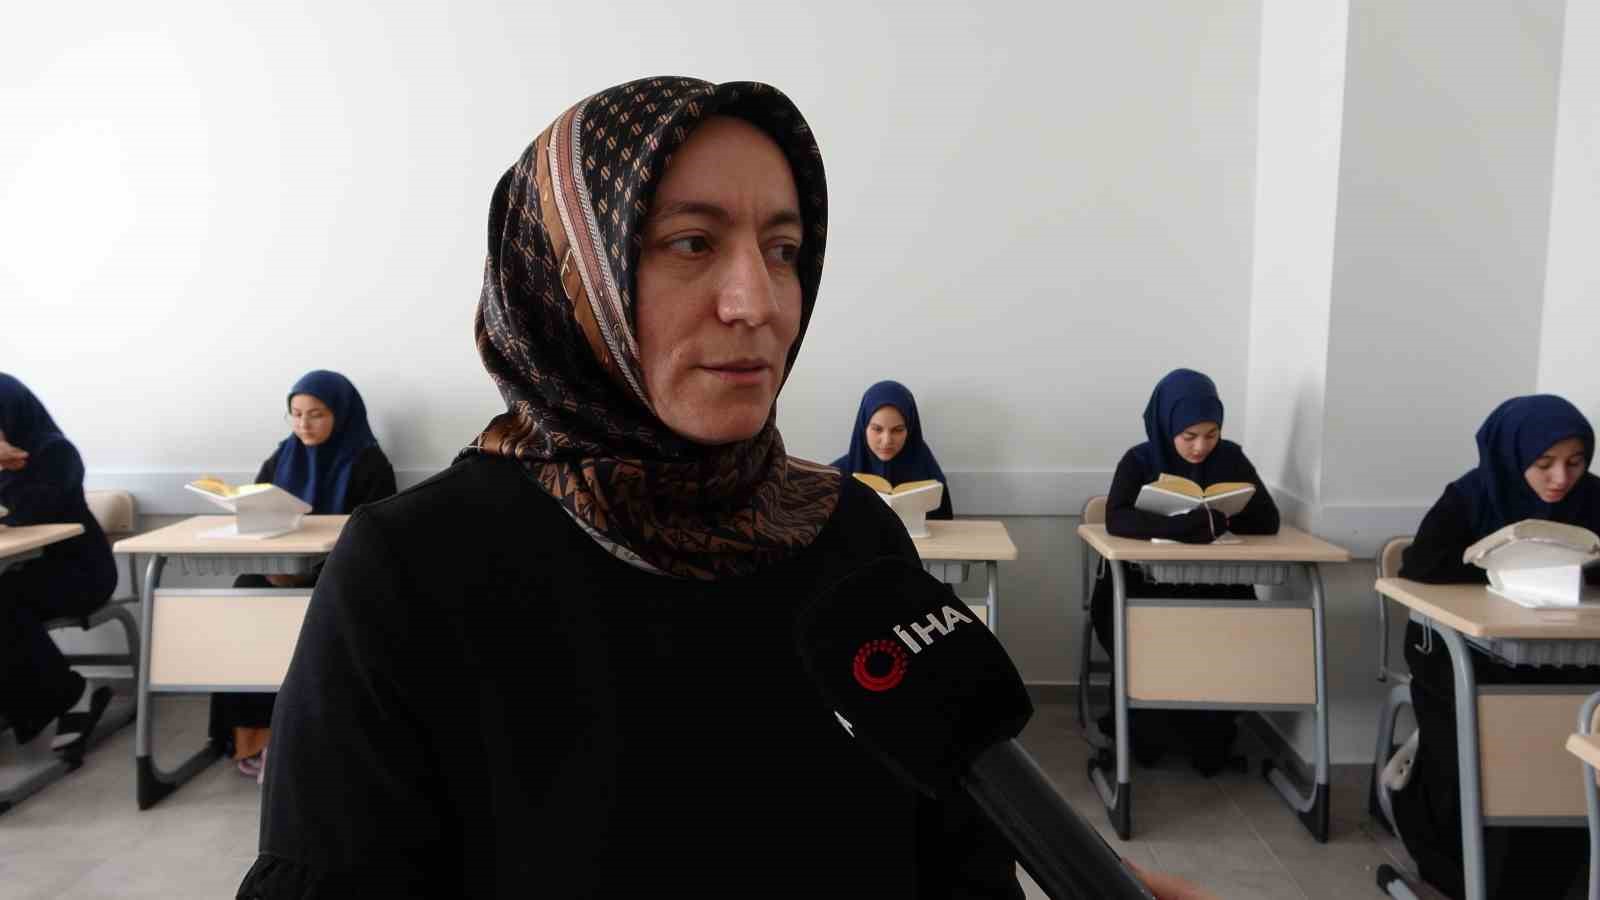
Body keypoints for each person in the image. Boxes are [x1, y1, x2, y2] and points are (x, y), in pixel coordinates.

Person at [1391, 394, 1600, 899]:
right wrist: (1505, 568)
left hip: (1563, 650)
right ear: (1513, 454)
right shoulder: (1470, 495)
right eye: (1544, 464)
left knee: (1572, 729)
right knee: (1490, 741)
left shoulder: (1594, 498)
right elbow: (1420, 564)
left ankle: (1566, 867)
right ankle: (1462, 867)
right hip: (1458, 651)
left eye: (1575, 463)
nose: (1561, 478)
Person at [1089, 368, 1280, 774]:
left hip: (1213, 588)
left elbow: (1268, 519)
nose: (1201, 447)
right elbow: (1117, 519)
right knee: (1151, 651)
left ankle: (1210, 731)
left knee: (1223, 640)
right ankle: (1143, 730)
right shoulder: (1139, 460)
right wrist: (1181, 527)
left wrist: (1218, 519)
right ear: (1166, 424)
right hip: (1142, 589)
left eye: (1211, 434)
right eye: (1189, 436)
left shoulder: (1230, 458)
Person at [210, 370, 395, 779]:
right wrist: (277, 566)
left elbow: (373, 540)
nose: (304, 425)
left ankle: (307, 740)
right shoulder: (281, 458)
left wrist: (307, 571)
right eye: (295, 414)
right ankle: (255, 737)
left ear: (341, 414)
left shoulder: (368, 463)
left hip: (337, 575)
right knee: (244, 593)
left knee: (325, 603)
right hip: (280, 570)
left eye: (316, 414)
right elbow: (256, 513)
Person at [0, 374, 116, 765]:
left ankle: (72, 694)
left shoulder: (55, 452)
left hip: (79, 570)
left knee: (3, 602)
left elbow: (27, 515)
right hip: (18, 572)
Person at [832, 380, 954, 519]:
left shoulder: (930, 474)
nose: (887, 440)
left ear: (910, 430)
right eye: (877, 429)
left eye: (897, 430)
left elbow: (944, 526)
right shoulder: (836, 476)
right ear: (863, 426)